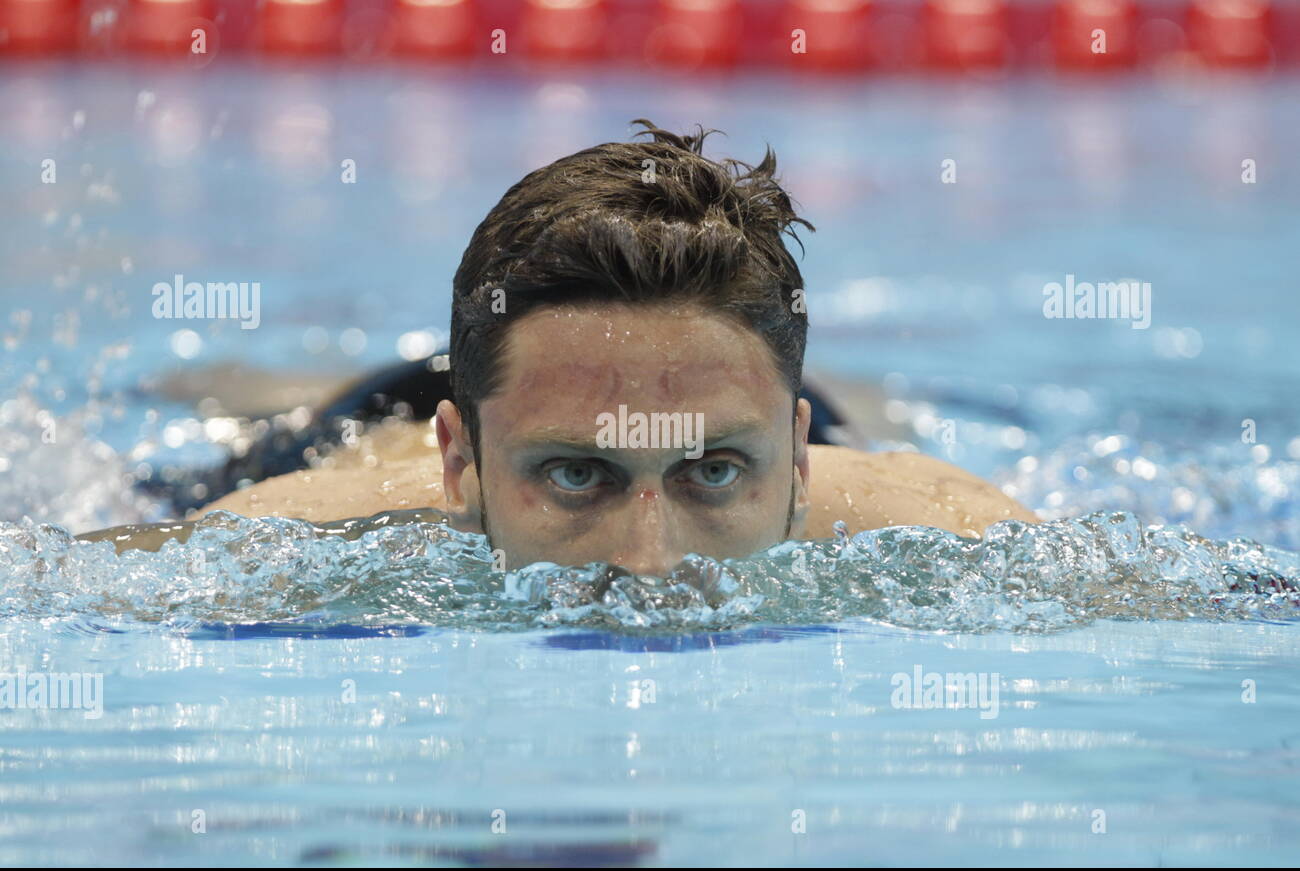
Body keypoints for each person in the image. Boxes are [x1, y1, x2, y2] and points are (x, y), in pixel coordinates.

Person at [81, 120, 1038, 575]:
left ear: (794, 466)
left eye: (712, 475)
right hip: (385, 417)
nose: (650, 567)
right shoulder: (330, 525)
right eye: (580, 478)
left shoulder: (933, 524)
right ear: (461, 466)